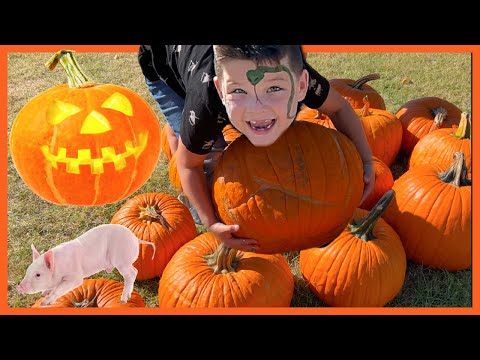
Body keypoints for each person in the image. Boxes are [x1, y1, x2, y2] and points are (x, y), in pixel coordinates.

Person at [138, 45, 374, 253]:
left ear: (301, 86)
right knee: (206, 152)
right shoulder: (205, 106)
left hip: (204, 75)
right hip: (164, 65)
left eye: (273, 89)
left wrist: (365, 160)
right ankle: (178, 130)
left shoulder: (302, 77)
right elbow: (189, 165)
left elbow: (340, 108)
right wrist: (212, 222)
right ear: (221, 89)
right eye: (239, 91)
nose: (257, 109)